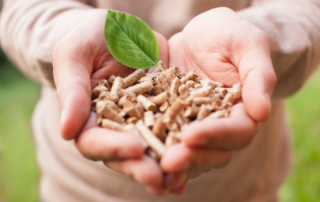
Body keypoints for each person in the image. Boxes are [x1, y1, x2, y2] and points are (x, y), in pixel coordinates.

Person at [1, 0, 320, 201]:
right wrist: (67, 35)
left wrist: (260, 35)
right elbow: (22, 8)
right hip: (81, 188)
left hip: (241, 184)